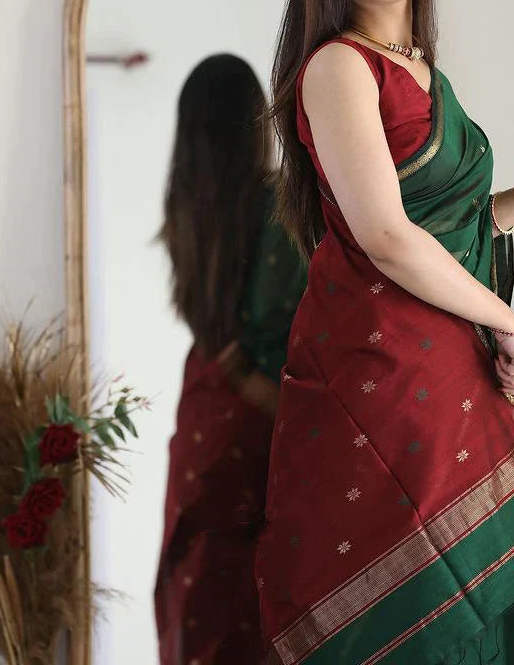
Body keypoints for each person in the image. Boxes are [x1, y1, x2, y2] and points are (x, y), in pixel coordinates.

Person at [255, 0, 514, 663]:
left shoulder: (424, 69)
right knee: (422, 613)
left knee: (481, 596)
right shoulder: (339, 67)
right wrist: (511, 324)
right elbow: (387, 238)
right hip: (382, 371)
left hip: (449, 364)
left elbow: (438, 229)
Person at [154, 53, 308, 664]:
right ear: (254, 121)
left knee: (197, 584)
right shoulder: (277, 203)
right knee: (255, 600)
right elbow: (283, 326)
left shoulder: (184, 211)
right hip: (258, 409)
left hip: (204, 408)